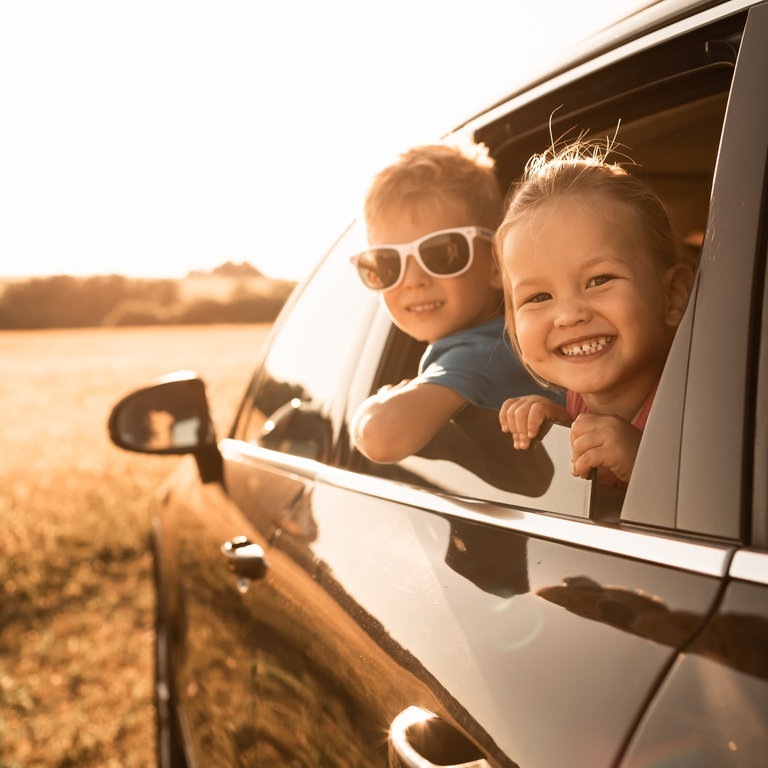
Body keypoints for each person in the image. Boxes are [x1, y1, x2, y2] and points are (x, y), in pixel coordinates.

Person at [495, 141, 695, 486]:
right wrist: (560, 428)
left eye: (599, 280)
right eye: (539, 296)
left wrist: (644, 466)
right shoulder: (573, 401)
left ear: (673, 295)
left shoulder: (703, 408)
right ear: (513, 325)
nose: (569, 315)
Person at [349, 140, 560, 464]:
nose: (413, 279)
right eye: (387, 263)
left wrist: (371, 405)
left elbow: (383, 438)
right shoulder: (496, 344)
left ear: (495, 262)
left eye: (441, 253)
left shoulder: (482, 352)